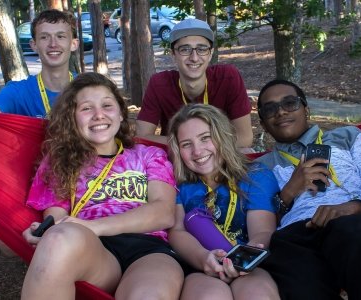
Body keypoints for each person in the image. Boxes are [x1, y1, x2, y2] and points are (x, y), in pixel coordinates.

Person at [19, 73, 184, 299]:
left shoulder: (148, 155)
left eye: (107, 105)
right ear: (72, 117)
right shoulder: (59, 162)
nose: (99, 115)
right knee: (56, 239)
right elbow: (57, 220)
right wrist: (45, 233)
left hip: (148, 248)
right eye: (86, 108)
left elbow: (163, 213)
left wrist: (95, 226)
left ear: (120, 113)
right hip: (93, 250)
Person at [254, 79, 361, 300]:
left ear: (307, 110)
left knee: (359, 236)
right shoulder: (259, 167)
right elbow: (259, 227)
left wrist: (351, 208)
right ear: (264, 123)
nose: (281, 112)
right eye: (270, 108)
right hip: (294, 238)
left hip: (354, 223)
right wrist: (289, 190)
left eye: (290, 103)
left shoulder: (349, 138)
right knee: (295, 278)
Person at [166, 104, 280, 300]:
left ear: (223, 136)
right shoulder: (181, 185)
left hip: (248, 265)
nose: (197, 151)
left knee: (257, 295)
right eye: (186, 144)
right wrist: (202, 259)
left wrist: (241, 262)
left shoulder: (256, 176)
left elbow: (262, 231)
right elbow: (177, 232)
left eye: (205, 138)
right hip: (200, 266)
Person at [136, 18, 254, 153]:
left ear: (210, 53)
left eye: (202, 49)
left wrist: (196, 145)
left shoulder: (228, 77)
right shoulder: (159, 83)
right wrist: (189, 145)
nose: (194, 57)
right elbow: (142, 138)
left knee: (247, 152)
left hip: (220, 155)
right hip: (177, 158)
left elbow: (244, 139)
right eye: (185, 49)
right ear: (173, 54)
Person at [0, 9, 78, 119]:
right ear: (34, 45)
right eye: (44, 37)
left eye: (60, 36)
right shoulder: (17, 92)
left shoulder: (88, 88)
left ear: (73, 44)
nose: (53, 44)